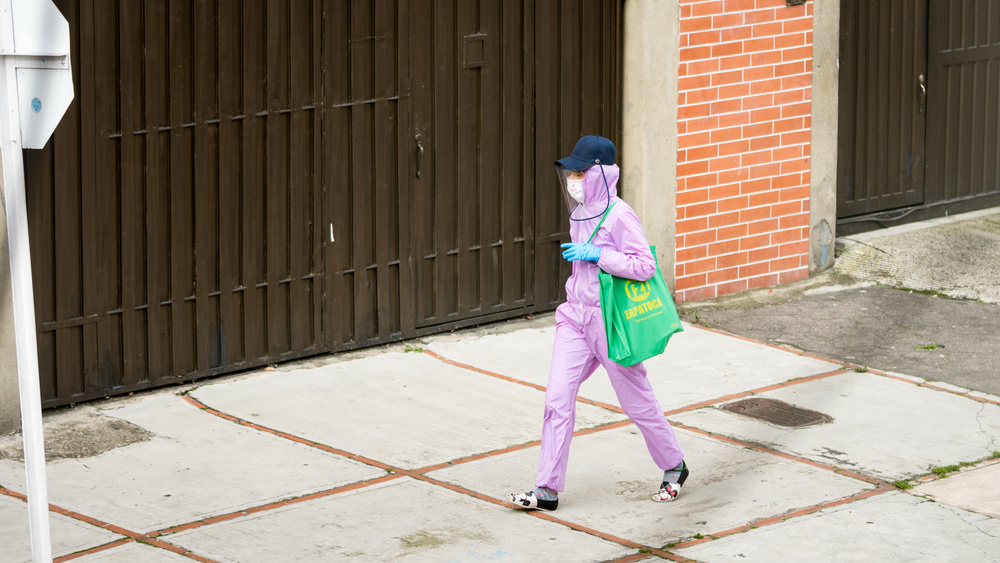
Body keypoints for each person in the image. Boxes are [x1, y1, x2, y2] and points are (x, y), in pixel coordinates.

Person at [506, 135, 688, 511]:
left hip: (609, 323)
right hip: (574, 316)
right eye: (571, 172)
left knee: (637, 403)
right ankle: (546, 490)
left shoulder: (620, 215)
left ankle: (674, 466)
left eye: (580, 172)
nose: (574, 179)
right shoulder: (578, 213)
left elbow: (644, 266)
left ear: (601, 174)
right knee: (557, 400)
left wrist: (599, 254)